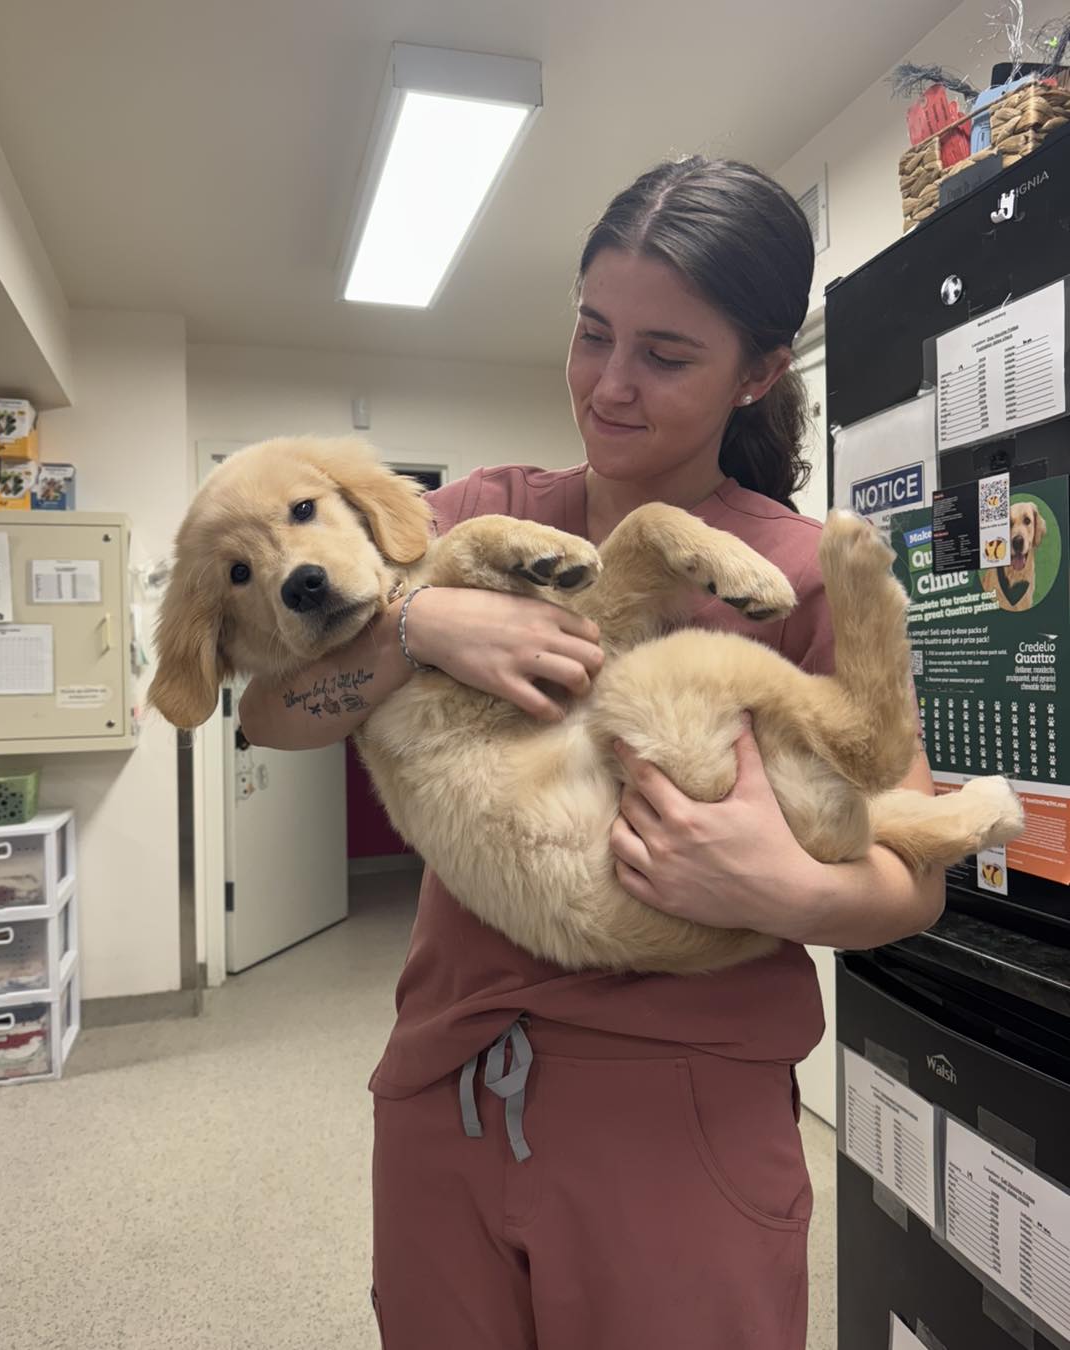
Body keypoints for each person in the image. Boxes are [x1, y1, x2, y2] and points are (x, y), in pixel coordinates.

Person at [240, 156, 943, 1349]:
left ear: (759, 373)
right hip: (448, 1080)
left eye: (665, 355)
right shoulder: (479, 517)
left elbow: (913, 878)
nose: (609, 386)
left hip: (677, 1107)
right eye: (592, 333)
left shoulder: (799, 573)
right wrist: (417, 626)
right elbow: (271, 713)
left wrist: (774, 886)